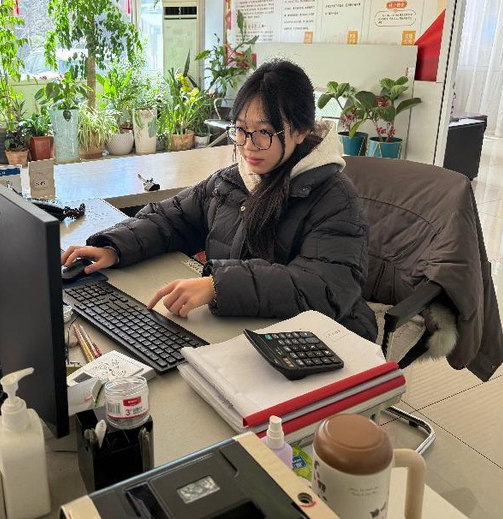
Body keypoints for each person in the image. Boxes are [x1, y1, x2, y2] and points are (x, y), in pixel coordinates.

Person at [61, 59, 377, 340]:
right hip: (241, 329)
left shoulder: (335, 199)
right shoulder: (233, 180)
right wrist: (115, 247)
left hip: (322, 342)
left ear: (300, 131)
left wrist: (218, 285)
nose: (247, 145)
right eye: (240, 130)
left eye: (264, 132)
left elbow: (323, 288)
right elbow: (173, 218)